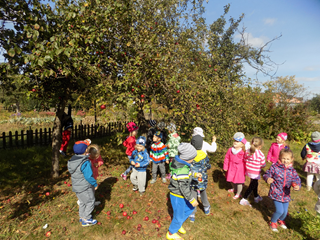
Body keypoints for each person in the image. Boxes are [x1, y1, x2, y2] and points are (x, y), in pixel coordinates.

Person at [166, 143, 201, 240]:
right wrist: (192, 199)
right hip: (178, 195)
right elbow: (183, 187)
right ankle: (171, 233)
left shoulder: (181, 163)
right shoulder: (181, 169)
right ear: (187, 158)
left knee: (189, 209)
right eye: (192, 158)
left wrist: (194, 175)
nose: (193, 160)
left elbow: (187, 173)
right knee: (179, 215)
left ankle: (178, 224)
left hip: (181, 194)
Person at [263, 148, 301, 232]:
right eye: (283, 158)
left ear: (291, 159)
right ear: (279, 157)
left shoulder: (292, 170)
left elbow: (296, 179)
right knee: (280, 210)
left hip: (286, 194)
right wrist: (268, 178)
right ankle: (273, 222)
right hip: (276, 192)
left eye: (288, 159)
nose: (285, 161)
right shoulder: (275, 167)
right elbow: (267, 173)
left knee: (285, 212)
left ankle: (281, 220)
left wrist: (297, 185)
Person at [67, 140, 98, 227]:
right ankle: (87, 219)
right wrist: (95, 184)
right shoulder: (85, 162)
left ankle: (82, 216)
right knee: (90, 201)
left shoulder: (72, 161)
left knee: (82, 202)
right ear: (85, 150)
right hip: (85, 187)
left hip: (77, 187)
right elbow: (88, 176)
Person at [189, 134, 211, 222]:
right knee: (202, 192)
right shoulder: (204, 155)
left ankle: (192, 213)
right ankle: (206, 208)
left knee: (193, 193)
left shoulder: (190, 155)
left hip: (193, 178)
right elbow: (208, 165)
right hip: (202, 179)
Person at [239, 137, 266, 207]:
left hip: (249, 170)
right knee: (252, 185)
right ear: (260, 146)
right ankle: (244, 199)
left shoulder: (247, 151)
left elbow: (244, 159)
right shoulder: (261, 154)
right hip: (255, 172)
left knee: (255, 183)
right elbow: (263, 165)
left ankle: (256, 196)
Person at [223, 132, 247, 200]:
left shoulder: (243, 152)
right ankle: (234, 188)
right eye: (235, 141)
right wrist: (225, 166)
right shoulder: (230, 150)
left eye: (238, 141)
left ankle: (238, 193)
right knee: (231, 179)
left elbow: (246, 161)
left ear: (242, 144)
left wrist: (246, 170)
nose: (235, 142)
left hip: (240, 169)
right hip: (231, 166)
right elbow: (226, 158)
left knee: (239, 181)